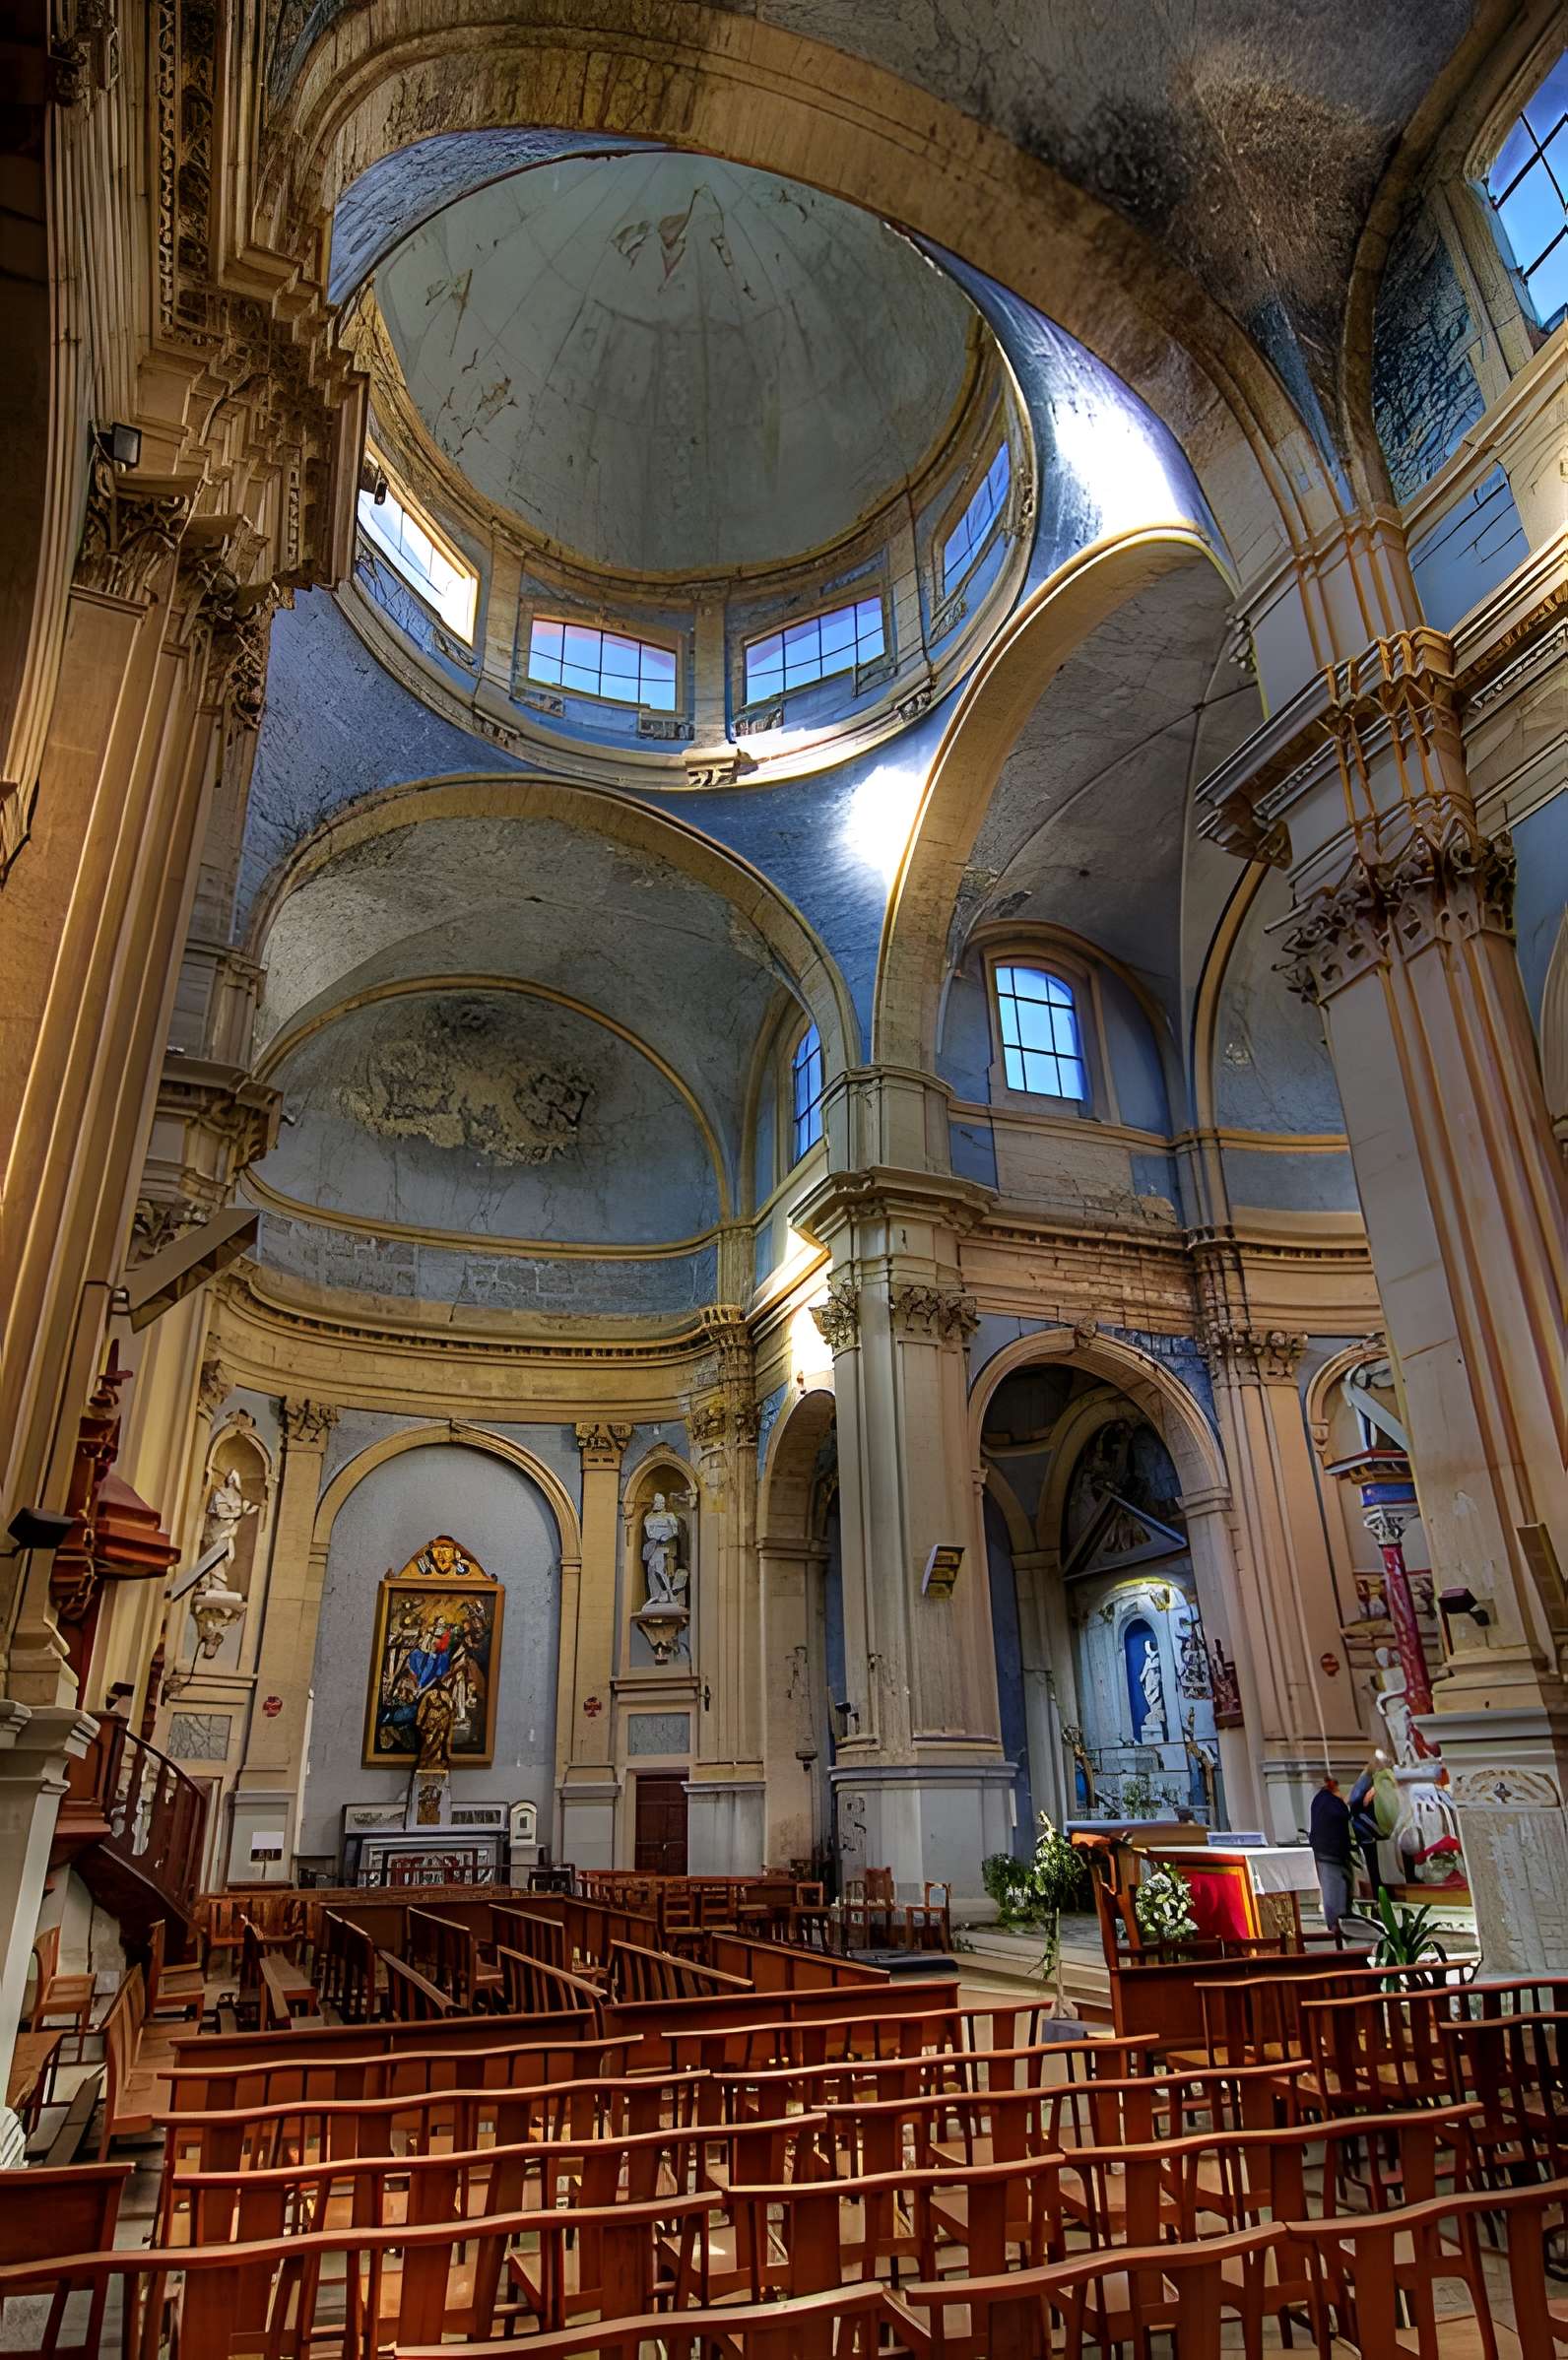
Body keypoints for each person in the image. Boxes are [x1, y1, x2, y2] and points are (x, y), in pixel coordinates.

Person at [1309, 1772, 1355, 1939]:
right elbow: (1343, 1814)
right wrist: (1344, 1802)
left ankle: (1339, 1922)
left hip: (1327, 1852)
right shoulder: (1330, 1802)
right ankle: (1338, 1925)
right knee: (1335, 1889)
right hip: (1331, 1853)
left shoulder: (1319, 1799)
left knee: (1337, 1887)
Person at [1348, 1762, 1387, 1904]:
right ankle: (1378, 1897)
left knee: (1375, 1866)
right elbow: (1357, 1802)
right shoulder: (1366, 1783)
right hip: (1367, 1833)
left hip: (1369, 1833)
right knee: (1374, 1866)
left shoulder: (1368, 1782)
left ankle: (1379, 1896)